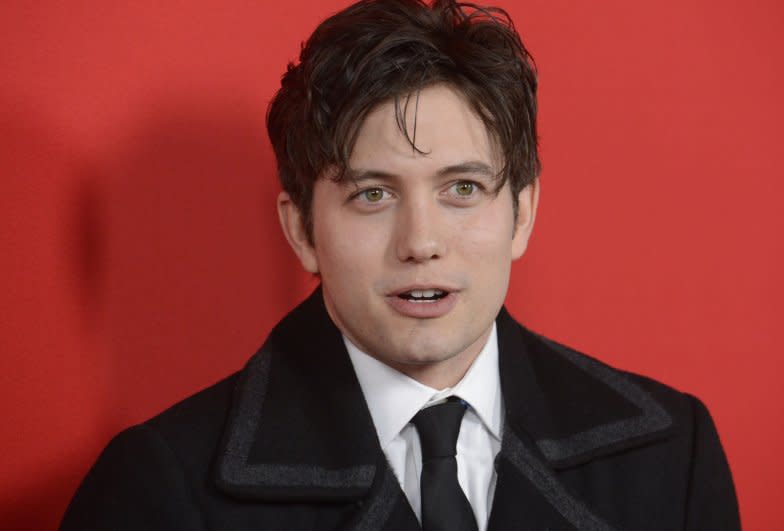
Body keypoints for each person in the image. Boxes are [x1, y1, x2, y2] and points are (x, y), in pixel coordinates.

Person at [60, 0, 740, 529]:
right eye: (373, 194)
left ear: (522, 213)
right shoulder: (159, 489)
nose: (421, 241)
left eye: (463, 189)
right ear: (301, 229)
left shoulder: (670, 454)